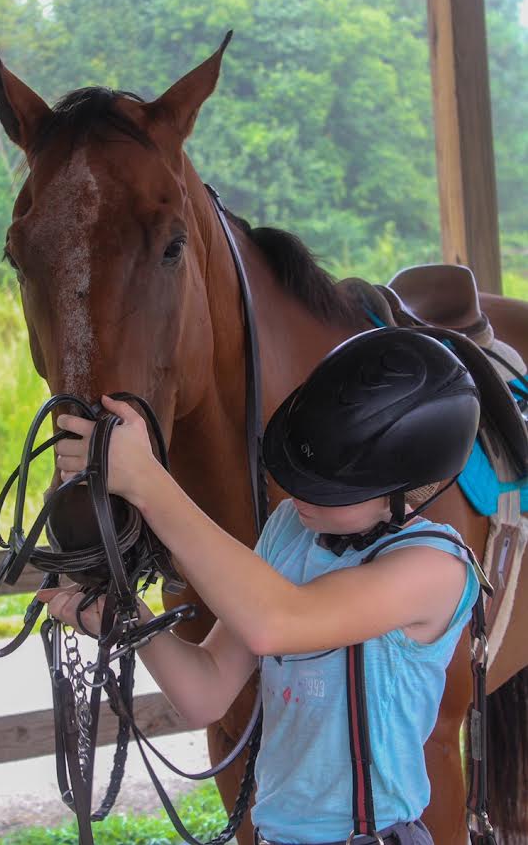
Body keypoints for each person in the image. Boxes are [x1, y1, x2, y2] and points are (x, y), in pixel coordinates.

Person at [38, 328, 482, 845]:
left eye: (327, 487)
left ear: (404, 490)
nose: (298, 493)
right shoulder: (292, 528)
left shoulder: (434, 568)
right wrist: (130, 618)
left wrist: (148, 481)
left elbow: (278, 623)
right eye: (298, 473)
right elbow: (206, 692)